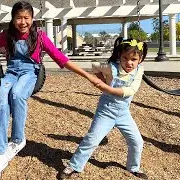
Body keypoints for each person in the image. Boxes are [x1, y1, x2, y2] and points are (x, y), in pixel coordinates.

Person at [0, 1, 101, 179]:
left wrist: (88, 76)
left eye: (26, 18)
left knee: (17, 94)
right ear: (13, 19)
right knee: (2, 99)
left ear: (32, 18)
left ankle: (18, 139)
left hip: (30, 73)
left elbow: (62, 59)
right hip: (12, 72)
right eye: (18, 18)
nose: (23, 22)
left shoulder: (40, 37)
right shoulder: (7, 35)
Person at [59, 37, 149, 180]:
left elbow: (130, 90)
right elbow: (95, 66)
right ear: (119, 56)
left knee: (137, 141)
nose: (129, 62)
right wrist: (100, 78)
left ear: (140, 59)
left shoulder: (139, 71)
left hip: (123, 113)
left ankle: (133, 167)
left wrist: (107, 87)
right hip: (105, 111)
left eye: (134, 59)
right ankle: (74, 166)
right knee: (92, 139)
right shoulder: (111, 67)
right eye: (125, 58)